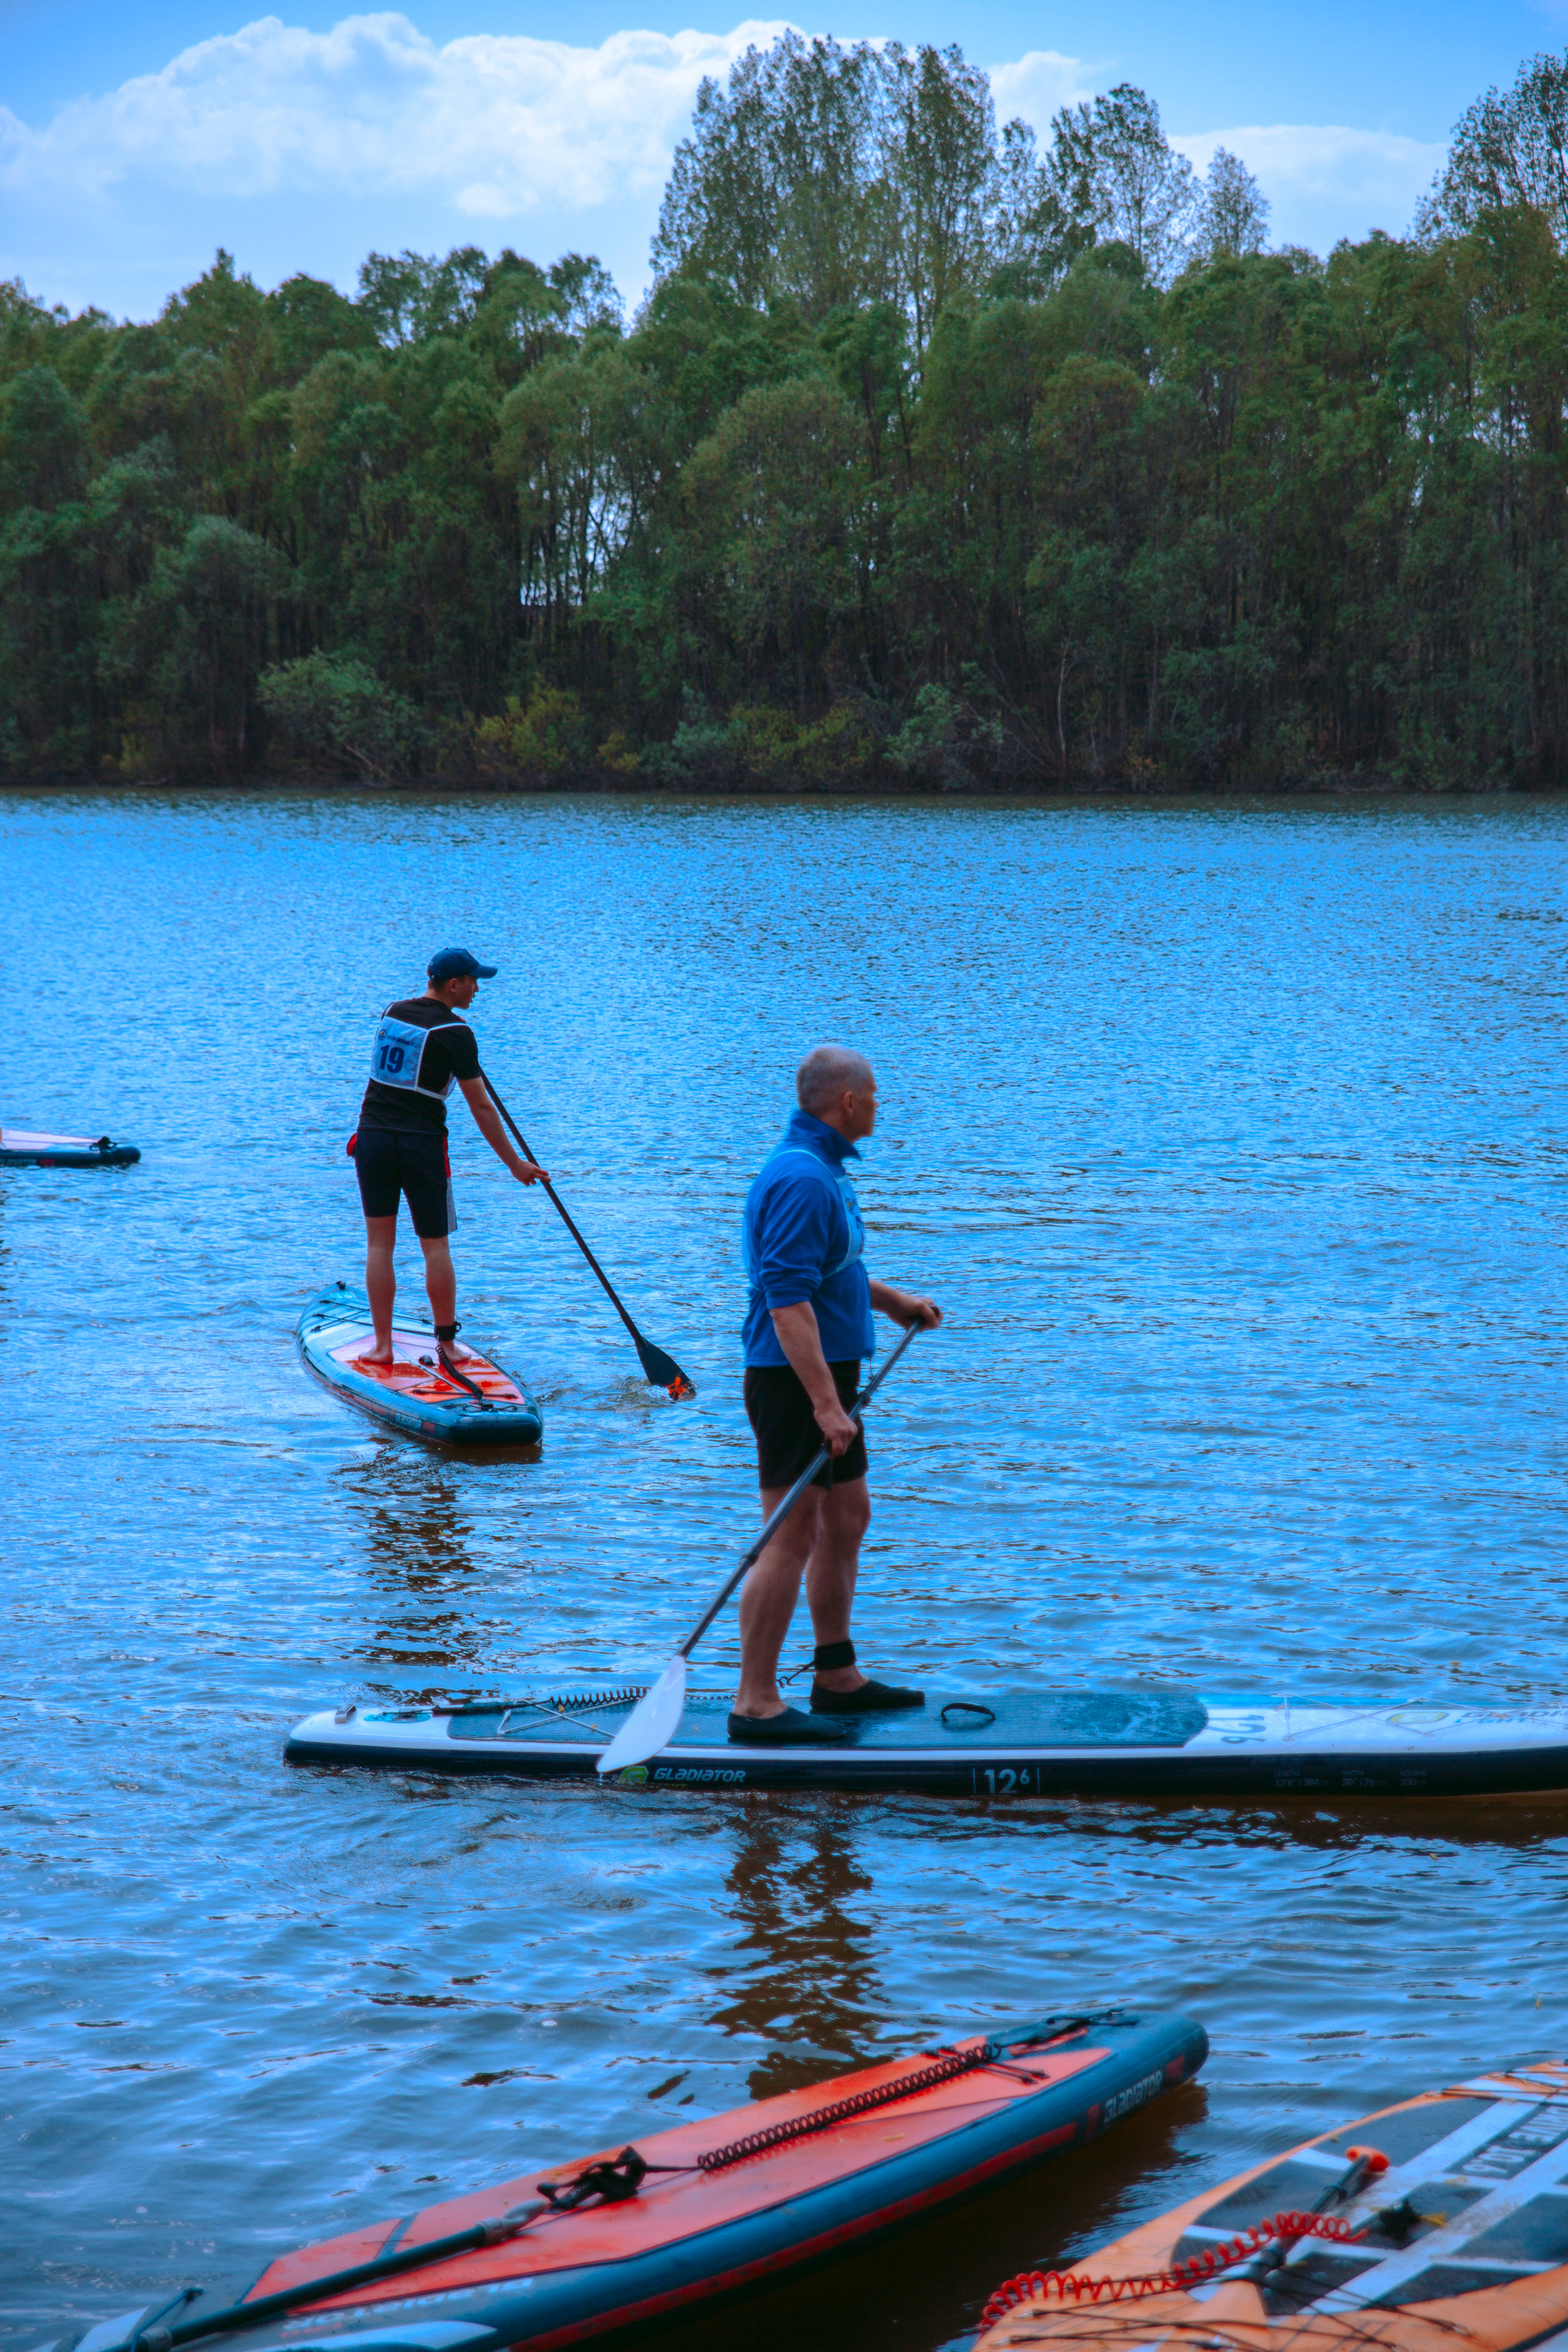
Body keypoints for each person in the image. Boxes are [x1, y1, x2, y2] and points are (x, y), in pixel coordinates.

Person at [733, 1045, 942, 1747]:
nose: (880, 1104)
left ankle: (835, 1676)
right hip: (795, 1381)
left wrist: (892, 1302)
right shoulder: (801, 1179)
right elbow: (786, 1301)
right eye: (875, 1094)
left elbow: (834, 1270)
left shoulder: (824, 1171)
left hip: (829, 1374)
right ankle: (755, 1703)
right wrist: (824, 1404)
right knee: (787, 1538)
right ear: (847, 1102)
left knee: (847, 1517)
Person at [350, 947, 547, 1376]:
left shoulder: (392, 1011)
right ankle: (447, 1344)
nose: (477, 989)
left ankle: (383, 1345)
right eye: (474, 981)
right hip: (421, 1146)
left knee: (379, 1244)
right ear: (452, 984)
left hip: (373, 1139)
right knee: (435, 1245)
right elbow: (481, 1107)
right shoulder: (457, 1033)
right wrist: (515, 1164)